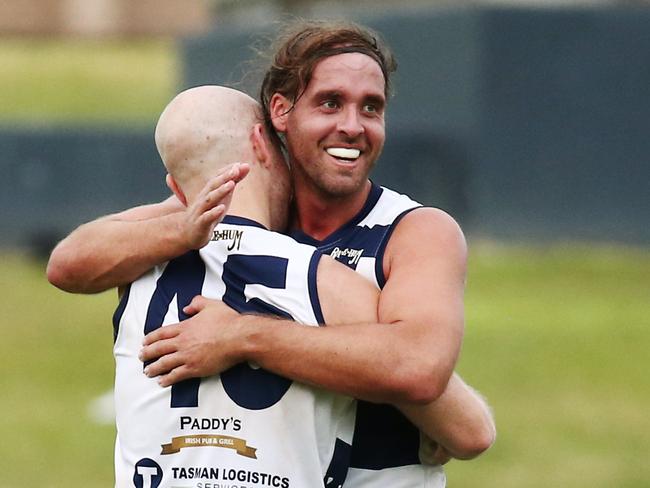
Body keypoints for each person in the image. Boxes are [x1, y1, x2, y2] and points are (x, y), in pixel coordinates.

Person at [48, 20, 495, 487]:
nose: (352, 126)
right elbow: (70, 261)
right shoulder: (238, 206)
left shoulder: (415, 231)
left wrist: (242, 338)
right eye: (330, 103)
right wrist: (178, 230)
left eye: (371, 108)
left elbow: (420, 372)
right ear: (279, 114)